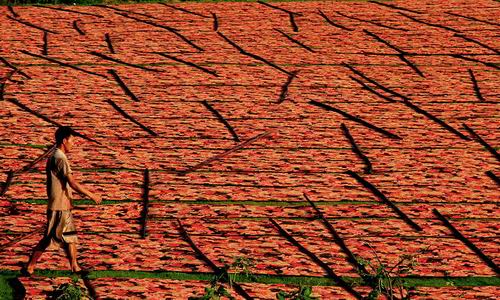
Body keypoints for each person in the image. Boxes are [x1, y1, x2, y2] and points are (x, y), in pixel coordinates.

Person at [23, 126, 101, 275]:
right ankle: (30, 266)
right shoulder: (60, 158)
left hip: (64, 204)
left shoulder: (56, 156)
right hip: (58, 205)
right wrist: (91, 195)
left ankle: (75, 266)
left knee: (71, 236)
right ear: (64, 141)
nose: (73, 144)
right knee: (49, 238)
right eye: (72, 140)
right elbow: (72, 182)